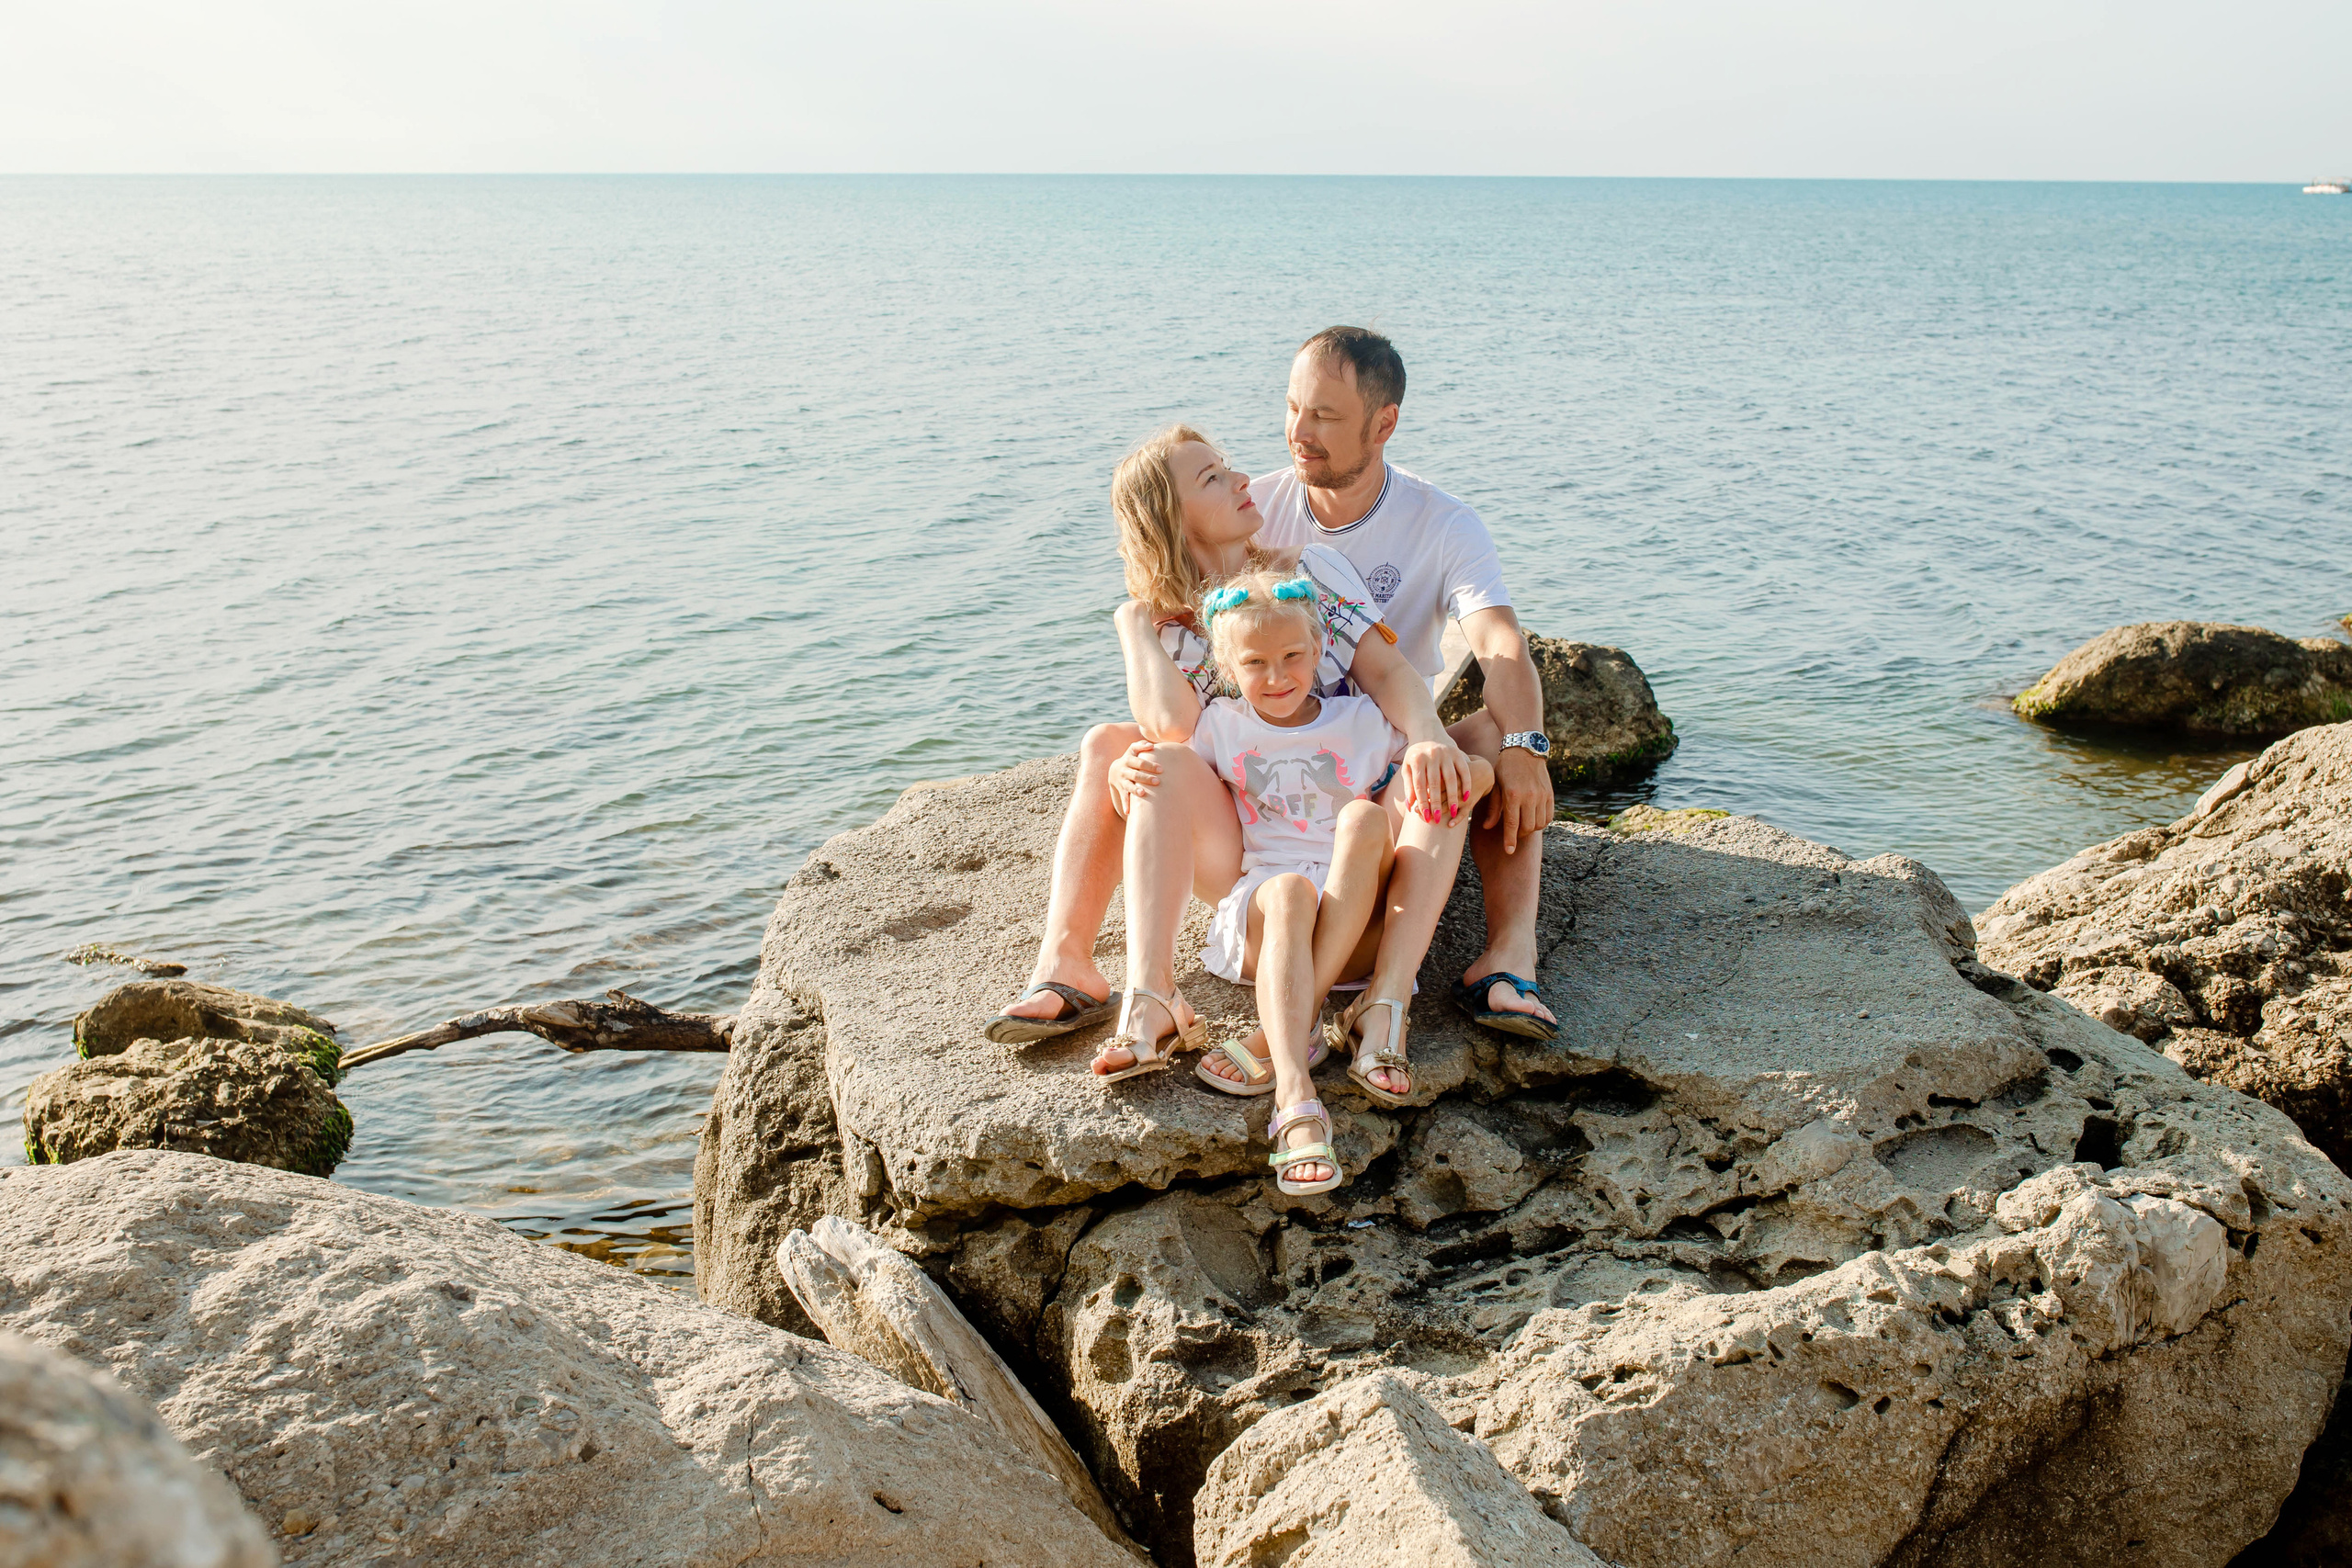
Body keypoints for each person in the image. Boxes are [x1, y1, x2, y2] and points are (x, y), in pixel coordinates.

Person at [980, 424, 1482, 1102]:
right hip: (1256, 848)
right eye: (1212, 477)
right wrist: (1135, 621)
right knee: (1125, 748)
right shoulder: (1170, 628)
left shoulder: (1311, 570)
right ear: (1169, 514)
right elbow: (1173, 728)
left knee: (1445, 770)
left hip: (1357, 823)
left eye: (1228, 468)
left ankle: (1385, 1005)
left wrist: (1426, 735)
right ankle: (1126, 986)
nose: (1244, 479)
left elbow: (1387, 670)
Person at [1250, 327, 1561, 1043]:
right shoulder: (1255, 512)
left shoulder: (1442, 522)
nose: (1299, 431)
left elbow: (1498, 639)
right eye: (1293, 406)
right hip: (1280, 771)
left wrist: (1526, 745)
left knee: (1491, 738)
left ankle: (1510, 954)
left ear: (1384, 423)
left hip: (1391, 773)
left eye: (1324, 415)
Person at [1159, 567, 1491, 1194]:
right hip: (1269, 919)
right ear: (1228, 665)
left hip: (1355, 915)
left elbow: (1454, 770)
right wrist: (1129, 761)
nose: (1277, 676)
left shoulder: (1362, 720)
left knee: (1366, 818)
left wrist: (1473, 774)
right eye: (1255, 661)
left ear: (1320, 650)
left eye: (1292, 655)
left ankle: (1299, 1018)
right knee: (1288, 889)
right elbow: (1172, 779)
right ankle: (1294, 1094)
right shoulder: (1222, 726)